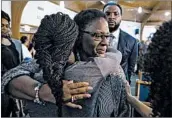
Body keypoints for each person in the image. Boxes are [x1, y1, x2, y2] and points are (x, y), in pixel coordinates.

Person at [2, 10, 130, 117]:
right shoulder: (56, 60)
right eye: (97, 35)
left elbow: (122, 108)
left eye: (107, 36)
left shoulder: (114, 67)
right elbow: (9, 79)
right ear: (78, 35)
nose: (105, 42)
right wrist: (43, 92)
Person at [103, 2, 138, 84]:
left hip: (119, 84)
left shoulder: (132, 41)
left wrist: (126, 86)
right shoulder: (93, 37)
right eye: (107, 14)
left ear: (121, 17)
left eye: (116, 14)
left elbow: (130, 69)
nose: (111, 17)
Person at [1, 10, 24, 117]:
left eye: (6, 25)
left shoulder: (15, 43)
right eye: (1, 25)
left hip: (14, 84)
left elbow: (20, 62)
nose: (4, 28)